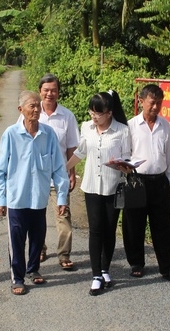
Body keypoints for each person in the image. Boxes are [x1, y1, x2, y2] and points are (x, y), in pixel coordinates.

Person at [0, 90, 69, 295]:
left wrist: (62, 197)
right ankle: (17, 278)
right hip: (16, 198)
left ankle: (33, 269)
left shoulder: (48, 134)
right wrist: (1, 198)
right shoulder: (10, 134)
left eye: (38, 106)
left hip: (39, 197)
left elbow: (58, 168)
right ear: (21, 110)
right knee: (17, 240)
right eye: (31, 106)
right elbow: (1, 169)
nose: (36, 110)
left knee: (38, 236)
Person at [66, 90, 131, 296]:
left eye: (98, 113)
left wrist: (123, 166)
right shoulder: (86, 127)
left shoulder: (122, 131)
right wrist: (65, 169)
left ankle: (105, 269)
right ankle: (95, 276)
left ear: (109, 113)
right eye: (92, 112)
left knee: (109, 229)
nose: (94, 117)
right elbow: (81, 152)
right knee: (95, 229)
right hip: (92, 186)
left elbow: (128, 158)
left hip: (114, 186)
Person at [121, 84, 170, 284]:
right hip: (137, 180)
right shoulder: (131, 126)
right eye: (152, 103)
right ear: (141, 101)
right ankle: (136, 263)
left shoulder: (164, 125)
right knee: (134, 224)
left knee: (162, 227)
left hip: (160, 181)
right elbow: (125, 153)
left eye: (159, 103)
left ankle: (166, 267)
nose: (156, 107)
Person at [18, 73, 79, 270]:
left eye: (53, 90)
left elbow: (71, 147)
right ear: (40, 91)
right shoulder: (30, 112)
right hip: (35, 176)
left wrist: (71, 171)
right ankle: (40, 249)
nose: (49, 94)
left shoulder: (67, 116)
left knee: (63, 215)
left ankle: (64, 254)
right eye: (46, 90)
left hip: (59, 175)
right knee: (37, 215)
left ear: (58, 92)